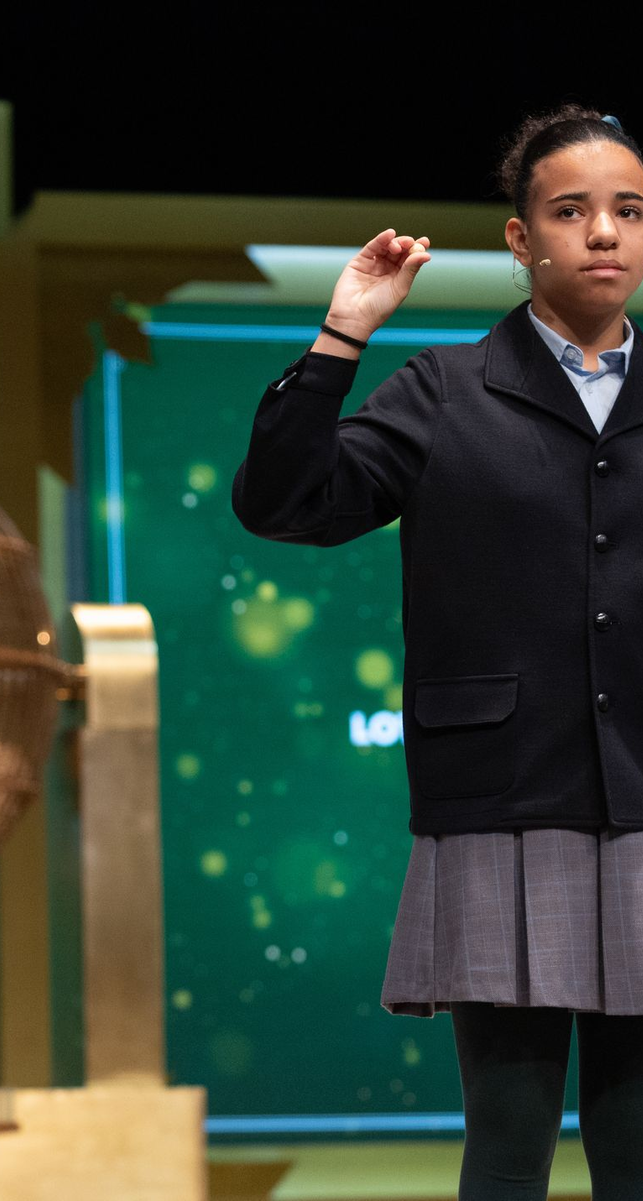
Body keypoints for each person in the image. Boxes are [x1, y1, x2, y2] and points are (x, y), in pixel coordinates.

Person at [233, 104, 643, 1200]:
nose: (604, 233)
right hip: (504, 805)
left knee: (639, 1148)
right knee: (507, 1145)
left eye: (629, 210)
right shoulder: (444, 391)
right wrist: (340, 338)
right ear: (522, 240)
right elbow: (286, 504)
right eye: (572, 211)